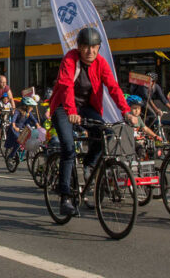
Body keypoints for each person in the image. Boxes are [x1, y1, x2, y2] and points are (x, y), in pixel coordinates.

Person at [48, 27, 130, 217]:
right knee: (68, 149)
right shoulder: (70, 59)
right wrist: (71, 111)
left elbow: (113, 87)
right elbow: (66, 85)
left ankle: (89, 164)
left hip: (86, 107)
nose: (90, 51)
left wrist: (126, 111)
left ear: (99, 48)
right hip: (63, 107)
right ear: (79, 47)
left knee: (106, 134)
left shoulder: (100, 63)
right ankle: (65, 197)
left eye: (94, 47)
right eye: (86, 47)